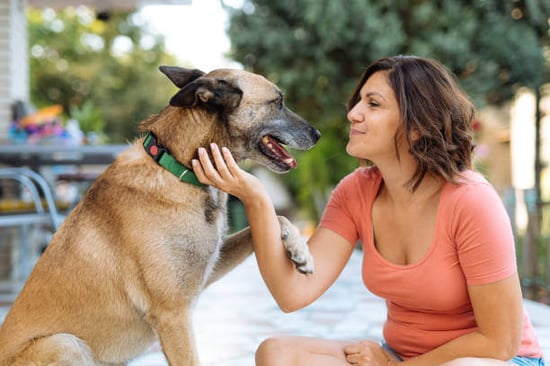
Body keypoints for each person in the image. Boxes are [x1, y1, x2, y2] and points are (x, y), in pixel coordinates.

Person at [191, 55, 545, 366]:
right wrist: (255, 199)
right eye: (359, 101)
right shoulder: (356, 191)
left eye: (373, 104)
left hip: (496, 361)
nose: (353, 113)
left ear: (417, 127)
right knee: (277, 354)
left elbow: (500, 341)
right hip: (397, 357)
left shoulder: (472, 201)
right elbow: (292, 292)